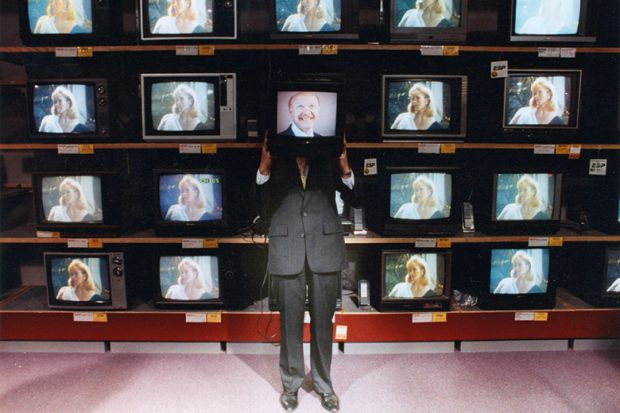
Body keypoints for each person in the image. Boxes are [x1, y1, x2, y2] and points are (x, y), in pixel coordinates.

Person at [256, 133, 356, 412]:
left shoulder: (329, 153)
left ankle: (324, 384)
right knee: (289, 323)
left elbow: (355, 197)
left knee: (324, 322)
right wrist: (264, 167)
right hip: (287, 246)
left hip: (324, 245)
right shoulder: (277, 154)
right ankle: (291, 386)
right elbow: (260, 205)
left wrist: (344, 166)